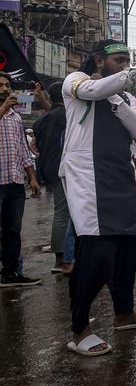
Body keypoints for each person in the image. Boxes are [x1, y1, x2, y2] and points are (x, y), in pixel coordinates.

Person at [61, 41, 136, 356]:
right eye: (117, 60)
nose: (123, 65)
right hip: (88, 180)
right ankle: (80, 329)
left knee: (128, 247)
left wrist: (120, 99)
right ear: (99, 60)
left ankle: (124, 313)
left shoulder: (126, 94)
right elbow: (93, 92)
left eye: (126, 61)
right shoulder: (75, 82)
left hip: (122, 178)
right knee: (98, 253)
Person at [0, 72, 42, 287]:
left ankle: (11, 273)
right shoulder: (6, 111)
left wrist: (32, 177)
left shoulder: (16, 117)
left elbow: (23, 151)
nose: (5, 89)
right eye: (1, 85)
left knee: (13, 230)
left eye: (8, 85)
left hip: (15, 181)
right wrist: (3, 108)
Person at [33, 80, 69, 272]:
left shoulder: (41, 120)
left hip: (48, 169)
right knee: (63, 213)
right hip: (64, 170)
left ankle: (67, 254)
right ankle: (61, 259)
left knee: (64, 212)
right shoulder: (68, 116)